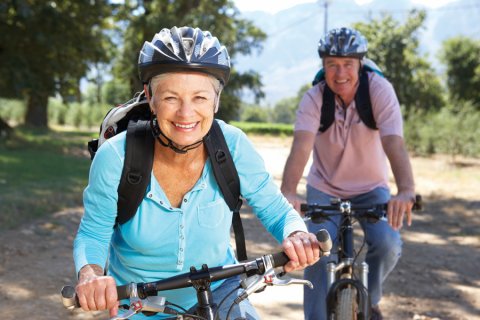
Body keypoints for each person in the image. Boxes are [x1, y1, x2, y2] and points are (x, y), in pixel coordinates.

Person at [73, 26, 323, 320]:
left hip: (221, 289)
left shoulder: (232, 145)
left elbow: (277, 209)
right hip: (138, 302)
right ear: (150, 98)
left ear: (216, 101)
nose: (186, 113)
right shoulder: (116, 156)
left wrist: (296, 234)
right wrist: (89, 275)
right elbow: (93, 231)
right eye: (171, 98)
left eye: (200, 98)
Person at [280, 27, 416, 320]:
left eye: (347, 65)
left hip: (371, 188)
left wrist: (405, 189)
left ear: (360, 64)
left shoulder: (379, 91)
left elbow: (394, 141)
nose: (340, 73)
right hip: (324, 188)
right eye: (332, 64)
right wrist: (289, 191)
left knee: (388, 243)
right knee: (315, 248)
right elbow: (301, 147)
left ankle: (371, 299)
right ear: (323, 66)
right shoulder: (315, 98)